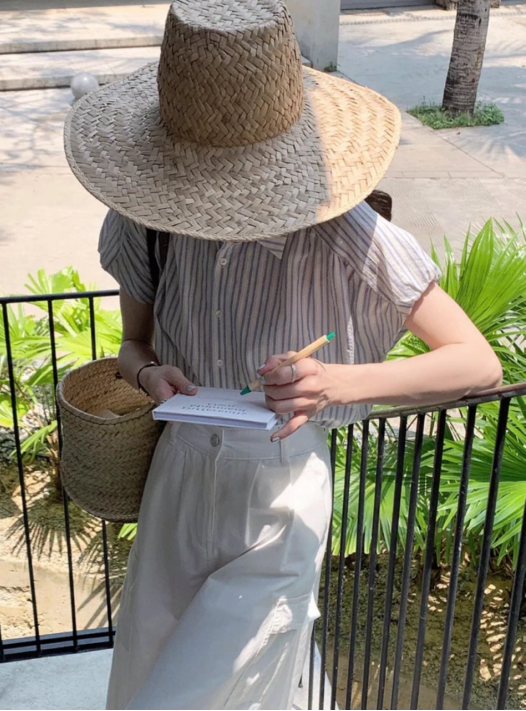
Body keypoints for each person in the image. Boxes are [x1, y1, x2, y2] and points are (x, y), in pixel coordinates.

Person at [64, 1, 502, 708]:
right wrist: (147, 372)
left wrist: (334, 383)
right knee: (157, 665)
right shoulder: (147, 219)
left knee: (198, 692)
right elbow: (131, 344)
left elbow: (475, 362)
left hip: (279, 492)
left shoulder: (342, 227)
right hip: (177, 479)